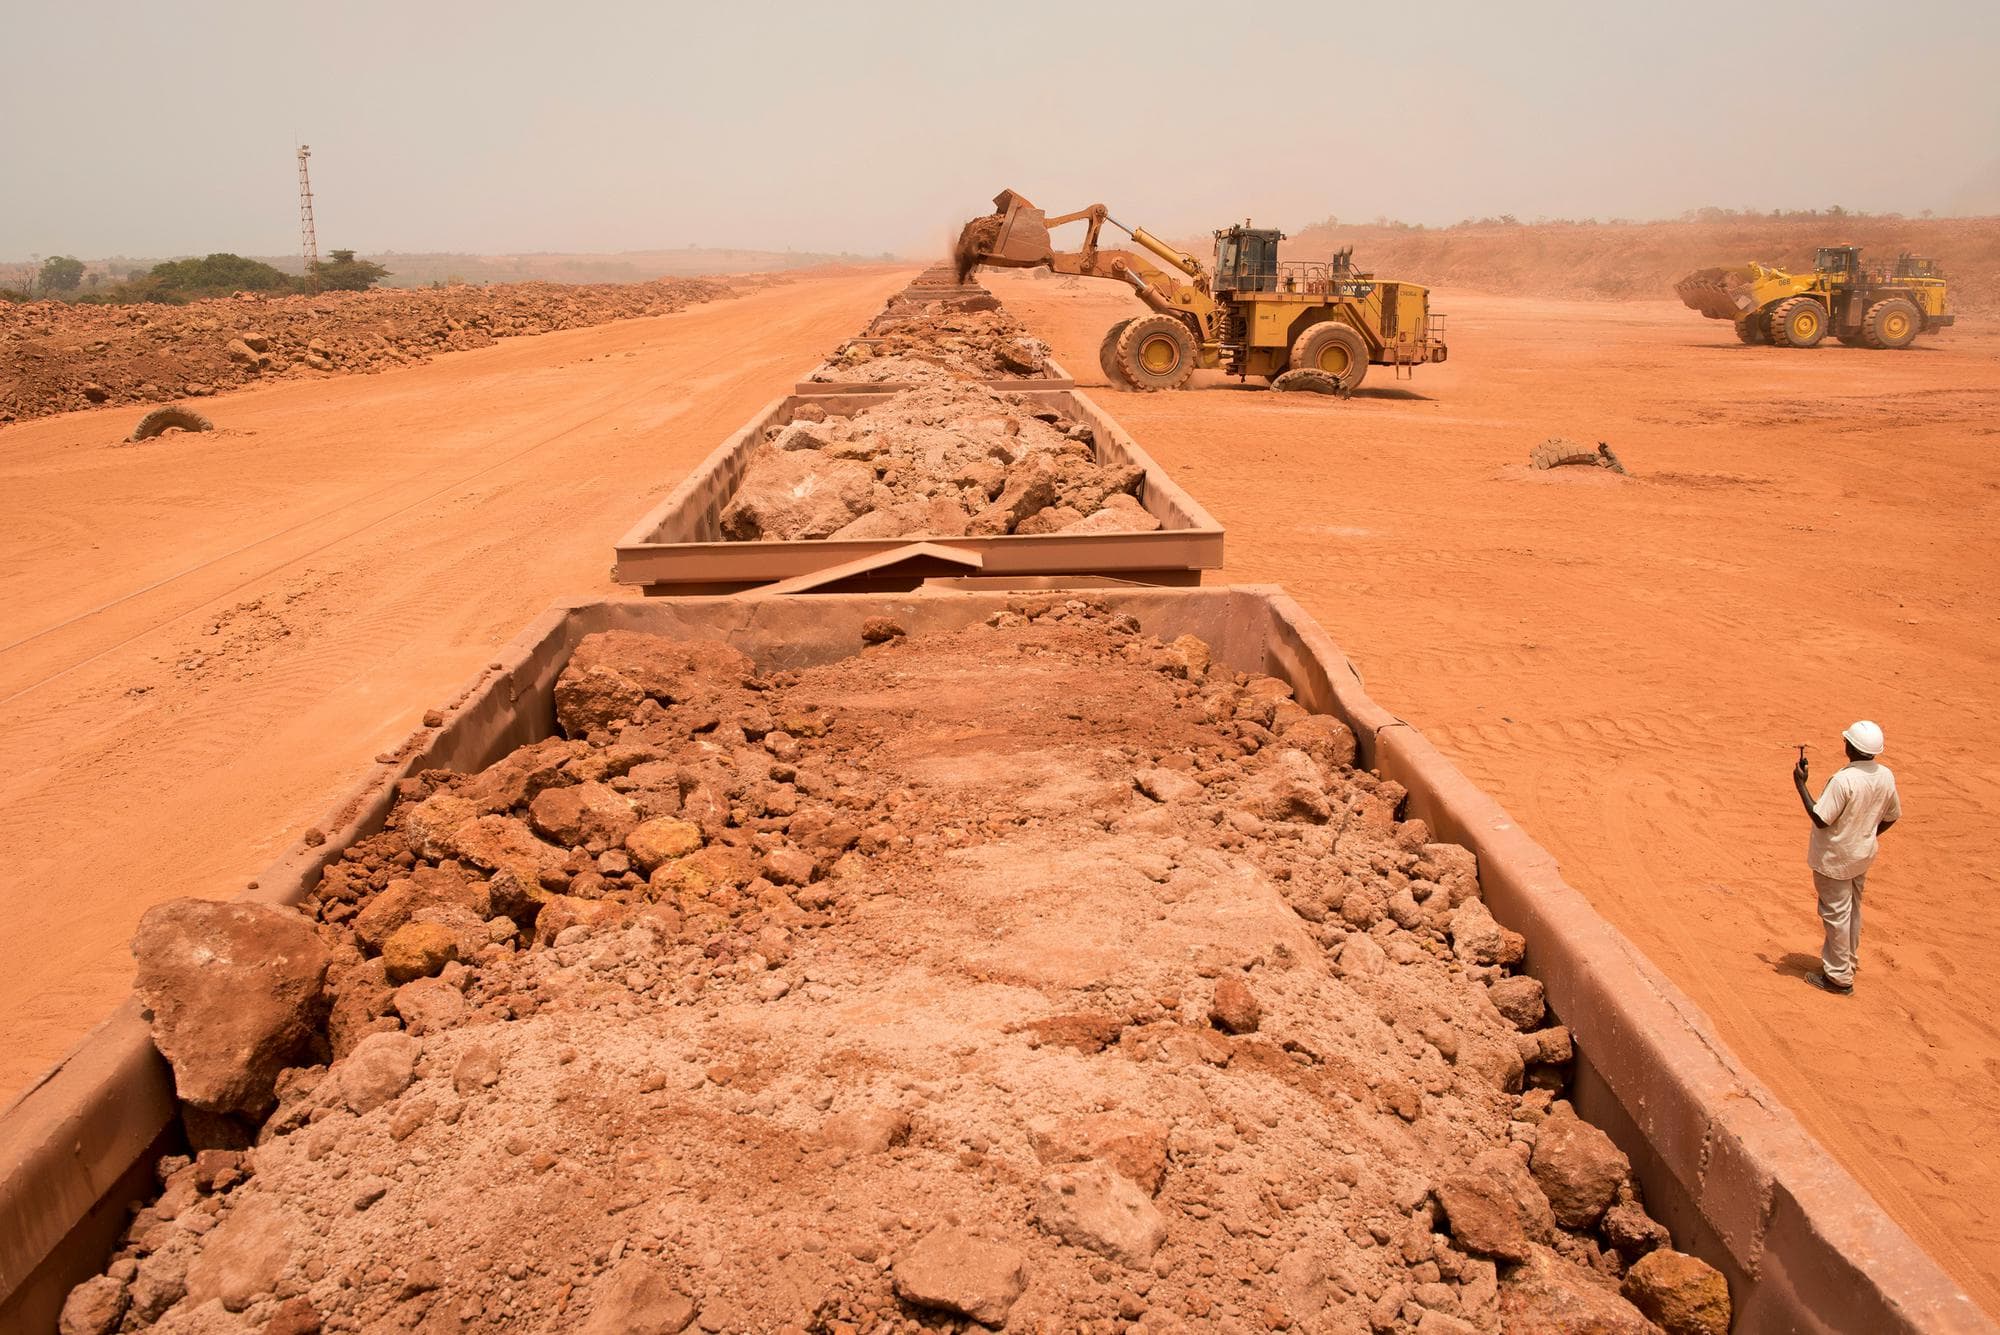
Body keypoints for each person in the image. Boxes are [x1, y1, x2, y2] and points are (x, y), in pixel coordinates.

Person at [1791, 721, 1900, 995]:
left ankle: (1839, 978)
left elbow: (1821, 818)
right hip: (1861, 855)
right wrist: (1865, 835)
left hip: (1835, 859)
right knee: (1852, 910)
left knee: (1837, 914)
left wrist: (1801, 785)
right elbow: (1892, 815)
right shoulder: (1885, 775)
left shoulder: (1844, 780)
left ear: (1852, 747)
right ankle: (1848, 960)